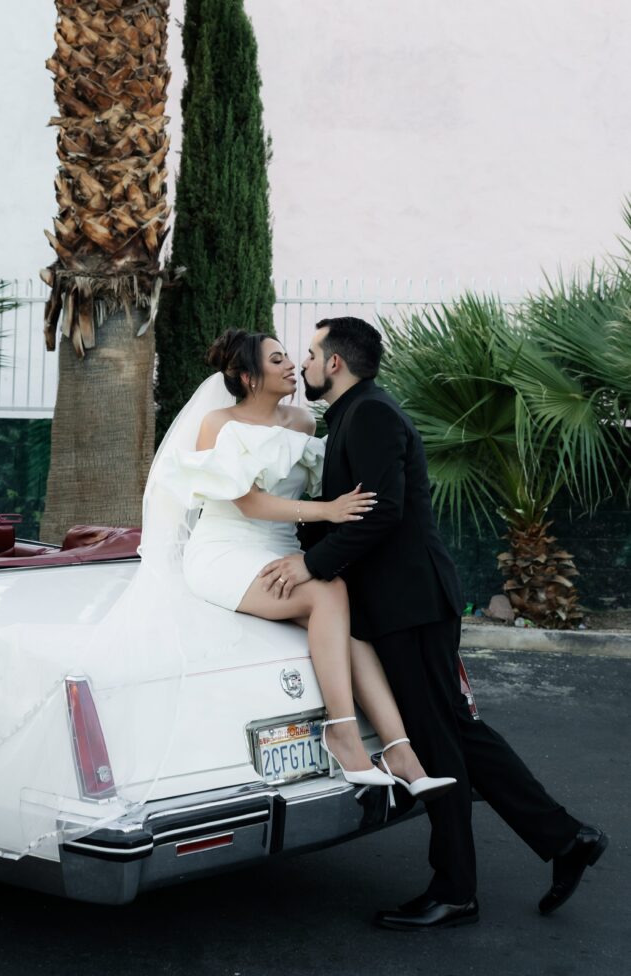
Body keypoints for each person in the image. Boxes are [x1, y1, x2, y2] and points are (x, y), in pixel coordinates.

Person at [259, 315, 608, 930]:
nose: (306, 364)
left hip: (409, 604)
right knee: (457, 732)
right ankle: (564, 838)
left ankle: (457, 890)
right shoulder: (353, 415)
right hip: (404, 603)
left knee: (435, 741)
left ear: (335, 363)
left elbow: (382, 513)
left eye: (312, 354)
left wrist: (311, 567)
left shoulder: (370, 415)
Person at [170, 326, 455, 801]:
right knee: (329, 589)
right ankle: (342, 733)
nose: (293, 365)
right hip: (226, 549)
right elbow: (247, 502)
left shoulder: (303, 423)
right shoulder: (217, 424)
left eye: (295, 356)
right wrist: (327, 511)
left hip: (280, 550)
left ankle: (400, 751)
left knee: (349, 625)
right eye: (278, 359)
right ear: (248, 375)